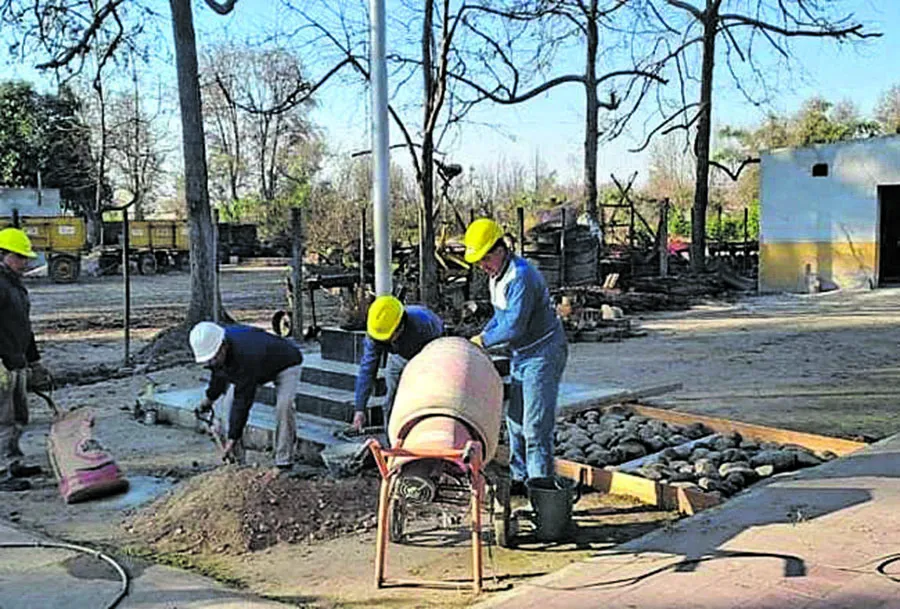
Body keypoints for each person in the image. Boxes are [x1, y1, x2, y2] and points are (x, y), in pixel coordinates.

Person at [464, 218, 568, 495]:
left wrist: (483, 341)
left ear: (500, 249)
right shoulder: (497, 276)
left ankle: (541, 488)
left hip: (543, 353)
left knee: (535, 426)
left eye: (485, 258)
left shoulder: (521, 276)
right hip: (522, 354)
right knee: (516, 421)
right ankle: (521, 478)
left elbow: (514, 326)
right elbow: (501, 318)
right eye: (479, 261)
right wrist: (481, 335)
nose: (482, 266)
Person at [190, 322, 303, 470]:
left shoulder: (245, 354)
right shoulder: (217, 351)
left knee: (284, 406)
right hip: (258, 365)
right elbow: (218, 377)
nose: (212, 362)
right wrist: (208, 400)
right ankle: (237, 463)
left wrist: (232, 438)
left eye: (214, 358)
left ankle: (284, 461)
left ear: (223, 346)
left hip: (286, 362)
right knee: (227, 406)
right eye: (209, 360)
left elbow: (243, 401)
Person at [0, 228, 49, 492]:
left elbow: (23, 326)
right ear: (3, 255)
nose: (25, 262)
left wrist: (34, 360)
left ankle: (12, 462)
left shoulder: (14, 284)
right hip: (2, 364)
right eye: (20, 257)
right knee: (2, 420)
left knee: (19, 416)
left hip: (16, 361)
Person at [353, 295, 443, 434]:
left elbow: (438, 352)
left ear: (400, 327)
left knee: (423, 400)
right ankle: (391, 442)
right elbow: (368, 369)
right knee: (391, 401)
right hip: (398, 358)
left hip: (428, 356)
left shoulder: (425, 324)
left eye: (388, 338)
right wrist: (360, 409)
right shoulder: (376, 332)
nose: (384, 342)